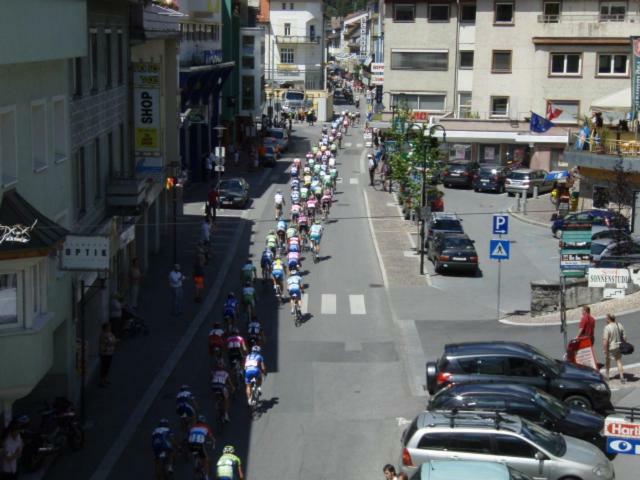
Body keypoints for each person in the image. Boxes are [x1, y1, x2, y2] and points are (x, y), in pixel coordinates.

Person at [603, 313, 627, 383]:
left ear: (609, 319)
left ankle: (607, 376)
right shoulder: (619, 325)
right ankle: (622, 377)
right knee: (619, 361)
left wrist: (605, 349)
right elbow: (625, 337)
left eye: (606, 318)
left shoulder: (607, 327)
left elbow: (605, 340)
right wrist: (624, 344)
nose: (605, 319)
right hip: (619, 346)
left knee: (608, 362)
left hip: (611, 347)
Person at [99, 322, 117, 388]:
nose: (110, 328)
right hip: (105, 353)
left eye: (110, 327)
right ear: (105, 328)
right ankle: (102, 381)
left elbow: (113, 339)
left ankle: (105, 379)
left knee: (107, 367)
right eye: (108, 327)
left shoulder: (110, 333)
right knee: (104, 367)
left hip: (110, 352)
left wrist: (114, 341)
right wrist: (114, 342)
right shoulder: (103, 335)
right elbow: (108, 342)